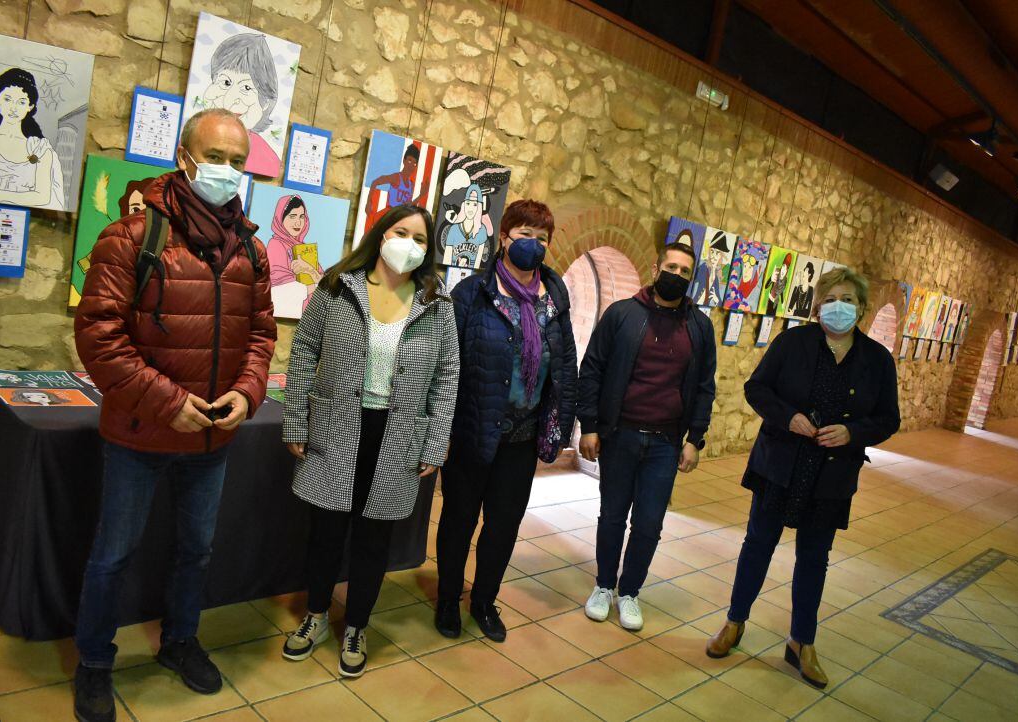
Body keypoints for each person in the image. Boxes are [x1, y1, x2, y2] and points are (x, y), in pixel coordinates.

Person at [72, 108, 276, 722]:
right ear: (186, 157)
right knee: (113, 554)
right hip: (138, 434)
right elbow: (99, 337)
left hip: (212, 438)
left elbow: (261, 335)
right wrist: (167, 403)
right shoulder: (131, 236)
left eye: (239, 162)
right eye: (217, 157)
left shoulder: (251, 248)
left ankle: (180, 643)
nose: (228, 171)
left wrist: (247, 393)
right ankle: (95, 663)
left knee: (197, 551)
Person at [281, 204, 459, 678]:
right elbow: (303, 352)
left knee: (373, 539)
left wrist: (435, 442)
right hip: (337, 426)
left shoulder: (438, 306)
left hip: (398, 435)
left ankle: (356, 623)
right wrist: (296, 420)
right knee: (326, 532)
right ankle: (316, 614)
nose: (410, 245)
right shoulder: (338, 288)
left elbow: (447, 377)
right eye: (402, 232)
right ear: (380, 235)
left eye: (421, 240)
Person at [706, 267, 900, 688]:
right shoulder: (792, 343)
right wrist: (787, 417)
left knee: (814, 558)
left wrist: (854, 433)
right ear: (817, 307)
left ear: (862, 308)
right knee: (758, 545)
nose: (840, 307)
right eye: (831, 298)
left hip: (831, 476)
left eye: (849, 299)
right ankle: (735, 622)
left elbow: (888, 418)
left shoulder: (877, 361)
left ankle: (801, 642)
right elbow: (757, 389)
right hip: (780, 465)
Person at [434, 199, 577, 642]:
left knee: (503, 527)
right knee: (459, 521)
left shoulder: (554, 300)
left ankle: (483, 601)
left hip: (521, 438)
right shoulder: (472, 294)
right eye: (524, 235)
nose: (532, 246)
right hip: (472, 431)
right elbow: (448, 365)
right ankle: (447, 600)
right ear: (503, 237)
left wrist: (561, 424)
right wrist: (441, 432)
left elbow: (565, 368)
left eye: (541, 239)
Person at [577, 241, 717, 631]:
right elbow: (592, 370)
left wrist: (695, 438)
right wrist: (589, 425)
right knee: (612, 515)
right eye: (671, 267)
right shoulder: (623, 314)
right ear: (656, 268)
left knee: (650, 523)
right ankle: (604, 586)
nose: (676, 275)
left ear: (692, 279)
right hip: (620, 436)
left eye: (685, 271)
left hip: (666, 443)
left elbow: (705, 387)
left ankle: (629, 593)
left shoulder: (700, 328)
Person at [0, 67, 66, 209]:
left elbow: (42, 197)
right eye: (7, 99)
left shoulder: (39, 148)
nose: (13, 108)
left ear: (30, 106)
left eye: (21, 102)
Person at [202, 33, 281, 176]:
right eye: (226, 82)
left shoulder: (267, 159)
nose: (229, 99)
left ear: (266, 102)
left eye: (246, 88)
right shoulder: (193, 139)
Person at [263, 194, 322, 317]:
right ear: (281, 218)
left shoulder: (304, 249)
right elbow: (280, 287)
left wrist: (310, 270)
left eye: (302, 216)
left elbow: (325, 285)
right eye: (292, 216)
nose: (298, 222)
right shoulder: (275, 245)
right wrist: (314, 283)